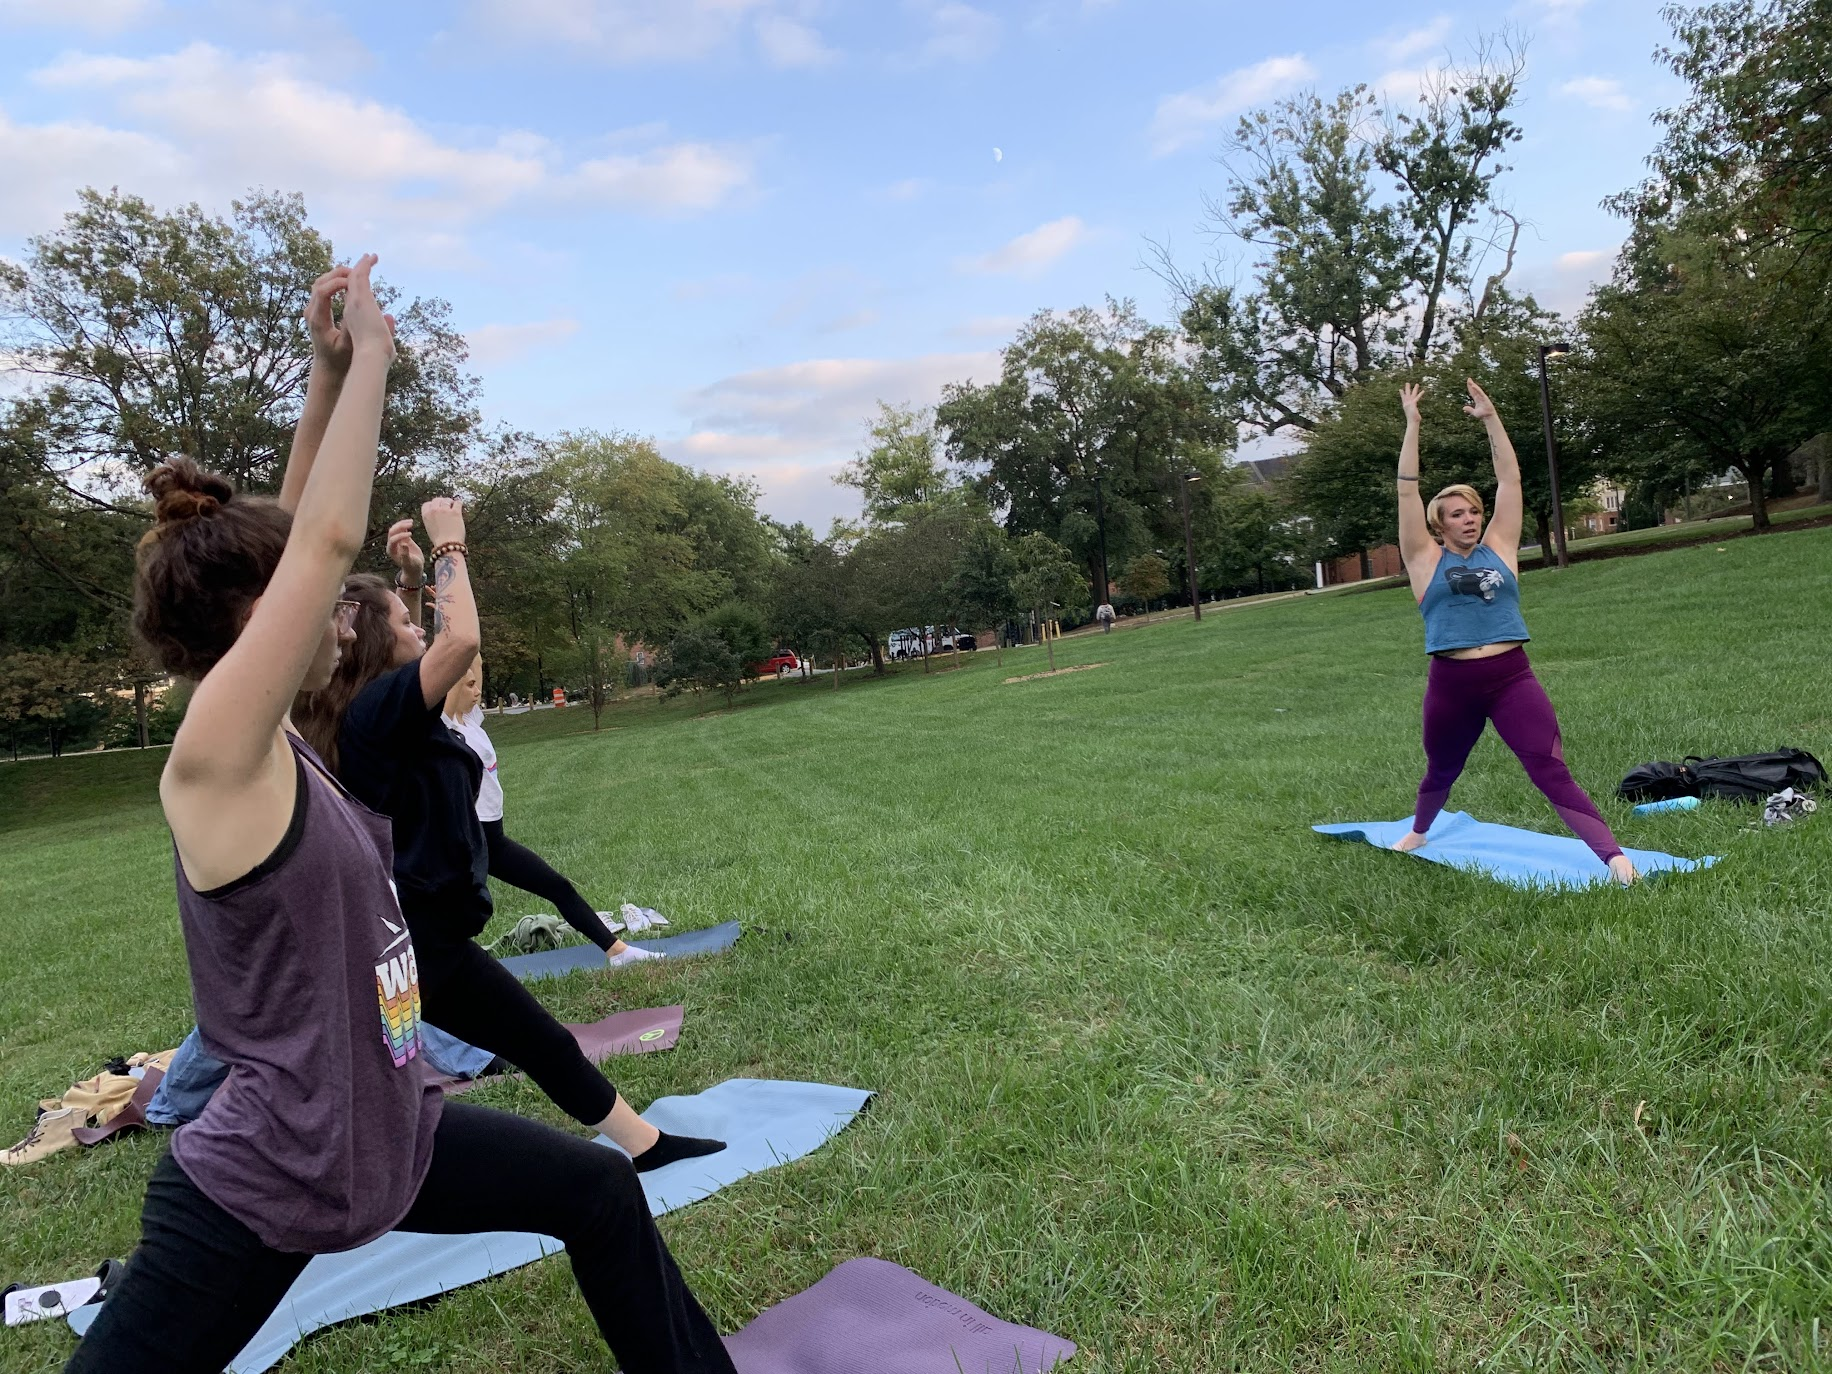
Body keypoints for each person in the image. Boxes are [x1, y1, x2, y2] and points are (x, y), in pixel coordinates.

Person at [72, 259, 737, 1374]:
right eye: (305, 599)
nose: (333, 612)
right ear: (256, 620)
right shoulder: (213, 765)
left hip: (383, 1133)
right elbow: (320, 540)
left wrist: (324, 378)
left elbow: (294, 530)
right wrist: (378, 352)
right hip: (270, 1173)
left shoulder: (278, 741)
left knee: (593, 1192)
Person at [292, 514, 723, 1172]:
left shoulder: (377, 708)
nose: (419, 630)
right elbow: (459, 638)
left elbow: (400, 637)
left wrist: (408, 578)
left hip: (412, 937)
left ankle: (645, 1145)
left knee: (488, 1053)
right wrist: (451, 544)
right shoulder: (380, 713)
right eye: (408, 623)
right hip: (415, 942)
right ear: (381, 646)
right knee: (485, 1052)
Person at [1392, 379, 1637, 885]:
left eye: (1474, 511)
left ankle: (1614, 858)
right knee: (1442, 769)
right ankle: (1419, 830)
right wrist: (1413, 425)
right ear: (1438, 524)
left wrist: (1491, 418)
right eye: (1457, 514)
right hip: (1452, 684)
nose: (1469, 519)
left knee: (1550, 769)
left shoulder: (1499, 548)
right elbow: (1407, 490)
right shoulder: (1422, 558)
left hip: (1511, 679)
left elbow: (1511, 481)